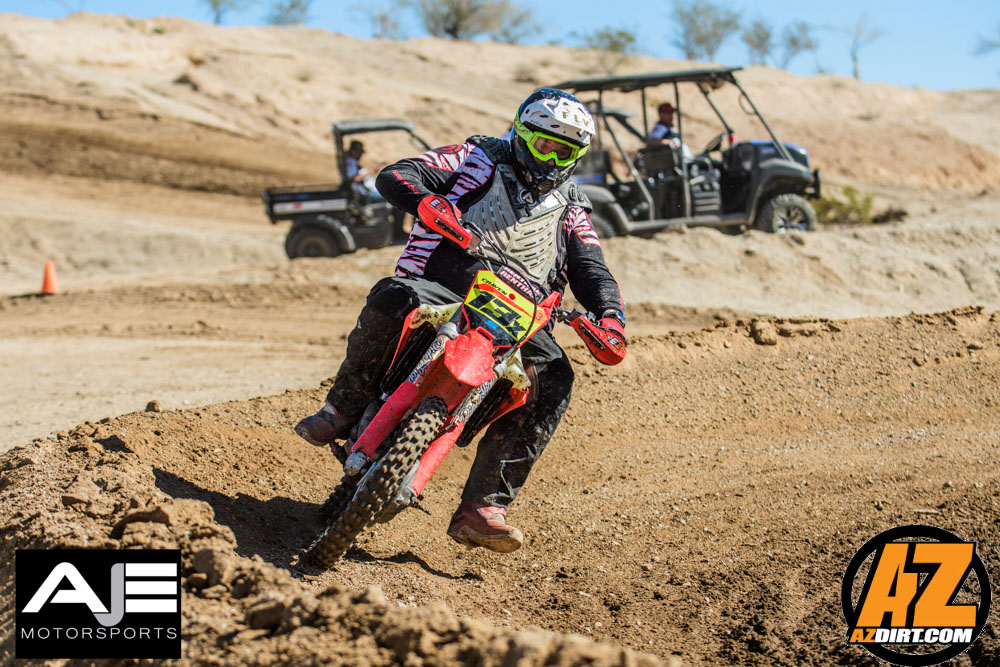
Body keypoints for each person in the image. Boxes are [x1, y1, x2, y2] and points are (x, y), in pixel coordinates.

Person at [295, 88, 627, 554]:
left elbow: (592, 267)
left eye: (565, 151)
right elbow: (398, 175)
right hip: (443, 284)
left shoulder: (573, 207)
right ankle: (342, 409)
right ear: (521, 134)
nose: (551, 159)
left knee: (555, 378)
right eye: (544, 145)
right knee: (393, 298)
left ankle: (484, 507)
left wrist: (610, 315)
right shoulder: (477, 158)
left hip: (521, 314)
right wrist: (427, 203)